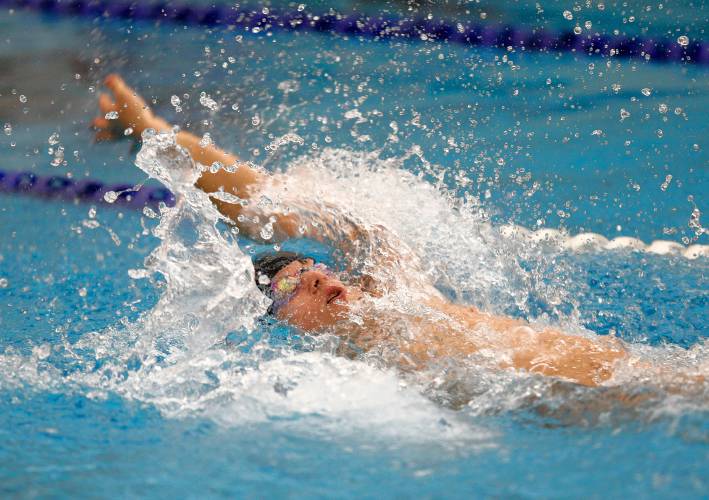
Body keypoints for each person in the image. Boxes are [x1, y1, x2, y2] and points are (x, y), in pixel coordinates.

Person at [92, 74, 692, 390]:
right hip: (626, 402)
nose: (322, 280)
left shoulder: (400, 303)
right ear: (275, 326)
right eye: (294, 287)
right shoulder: (339, 377)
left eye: (315, 268)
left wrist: (155, 132)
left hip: (648, 374)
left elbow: (266, 210)